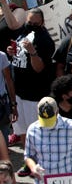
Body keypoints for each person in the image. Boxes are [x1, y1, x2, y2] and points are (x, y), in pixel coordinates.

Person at [7, 9, 55, 147]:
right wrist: (12, 51)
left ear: (42, 23)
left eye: (36, 23)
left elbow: (39, 68)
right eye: (30, 22)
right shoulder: (22, 32)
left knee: (35, 131)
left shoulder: (45, 40)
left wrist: (33, 52)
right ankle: (28, 162)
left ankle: (38, 162)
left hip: (34, 95)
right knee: (22, 130)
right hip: (19, 92)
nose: (32, 25)